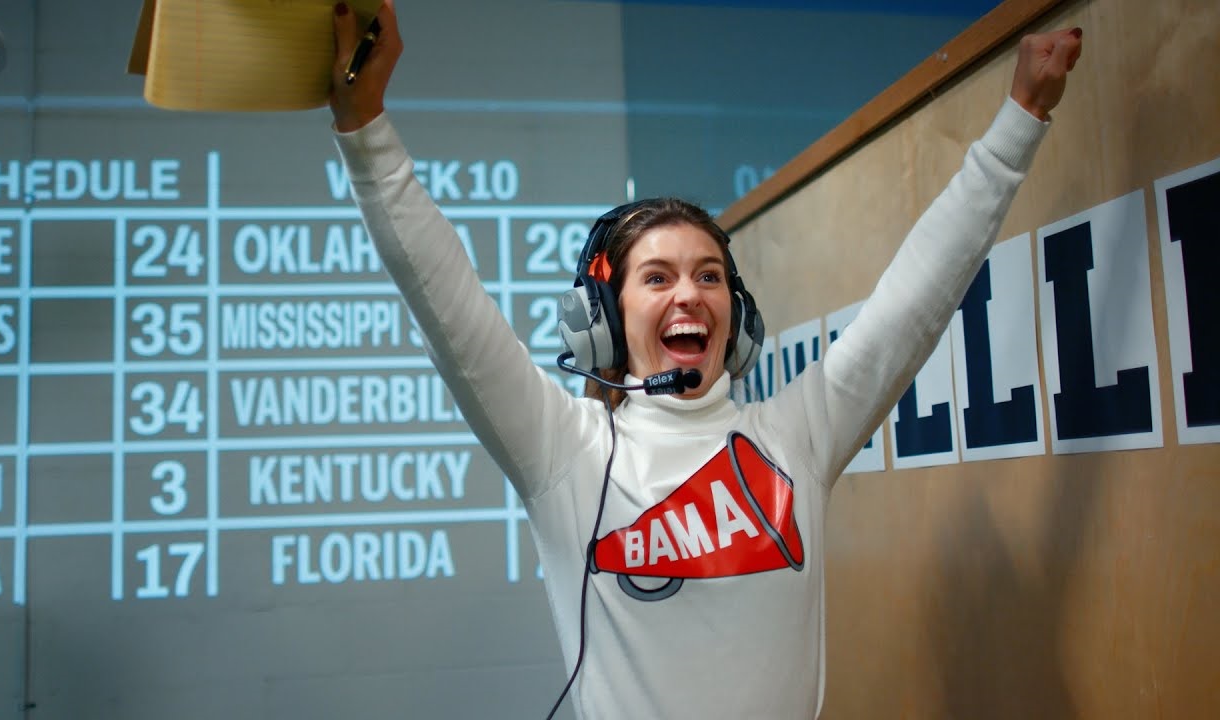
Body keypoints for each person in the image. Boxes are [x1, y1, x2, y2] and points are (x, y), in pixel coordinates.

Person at [326, 2, 1082, 717]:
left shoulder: (798, 434)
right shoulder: (564, 452)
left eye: (709, 276)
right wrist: (365, 132)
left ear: (737, 316)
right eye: (657, 278)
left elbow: (913, 304)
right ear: (605, 322)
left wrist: (1020, 121)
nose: (690, 295)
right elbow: (446, 303)